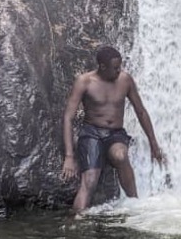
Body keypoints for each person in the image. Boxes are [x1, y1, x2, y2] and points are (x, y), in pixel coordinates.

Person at [61, 45, 164, 211]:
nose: (119, 71)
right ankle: (76, 219)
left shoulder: (125, 80)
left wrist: (153, 144)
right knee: (90, 178)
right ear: (102, 67)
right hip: (91, 133)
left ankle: (135, 204)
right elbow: (68, 117)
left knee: (121, 155)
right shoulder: (85, 82)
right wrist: (69, 156)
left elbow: (141, 112)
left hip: (115, 134)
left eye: (120, 67)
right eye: (115, 68)